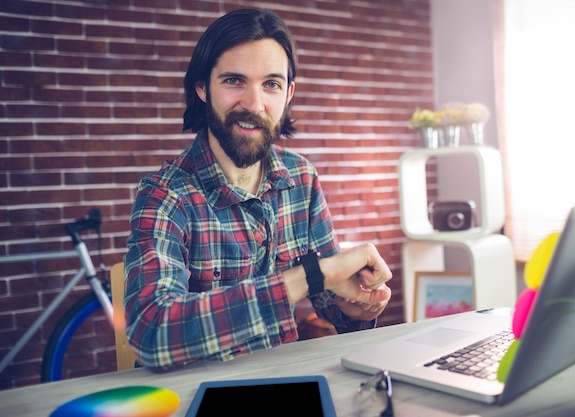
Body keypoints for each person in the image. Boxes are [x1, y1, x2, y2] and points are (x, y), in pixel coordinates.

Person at [124, 8, 392, 371]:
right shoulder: (165, 194)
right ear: (202, 87)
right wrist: (311, 276)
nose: (254, 104)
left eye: (271, 84)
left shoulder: (301, 178)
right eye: (234, 81)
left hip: (287, 380)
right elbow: (152, 333)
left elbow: (336, 308)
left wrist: (357, 306)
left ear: (288, 93)